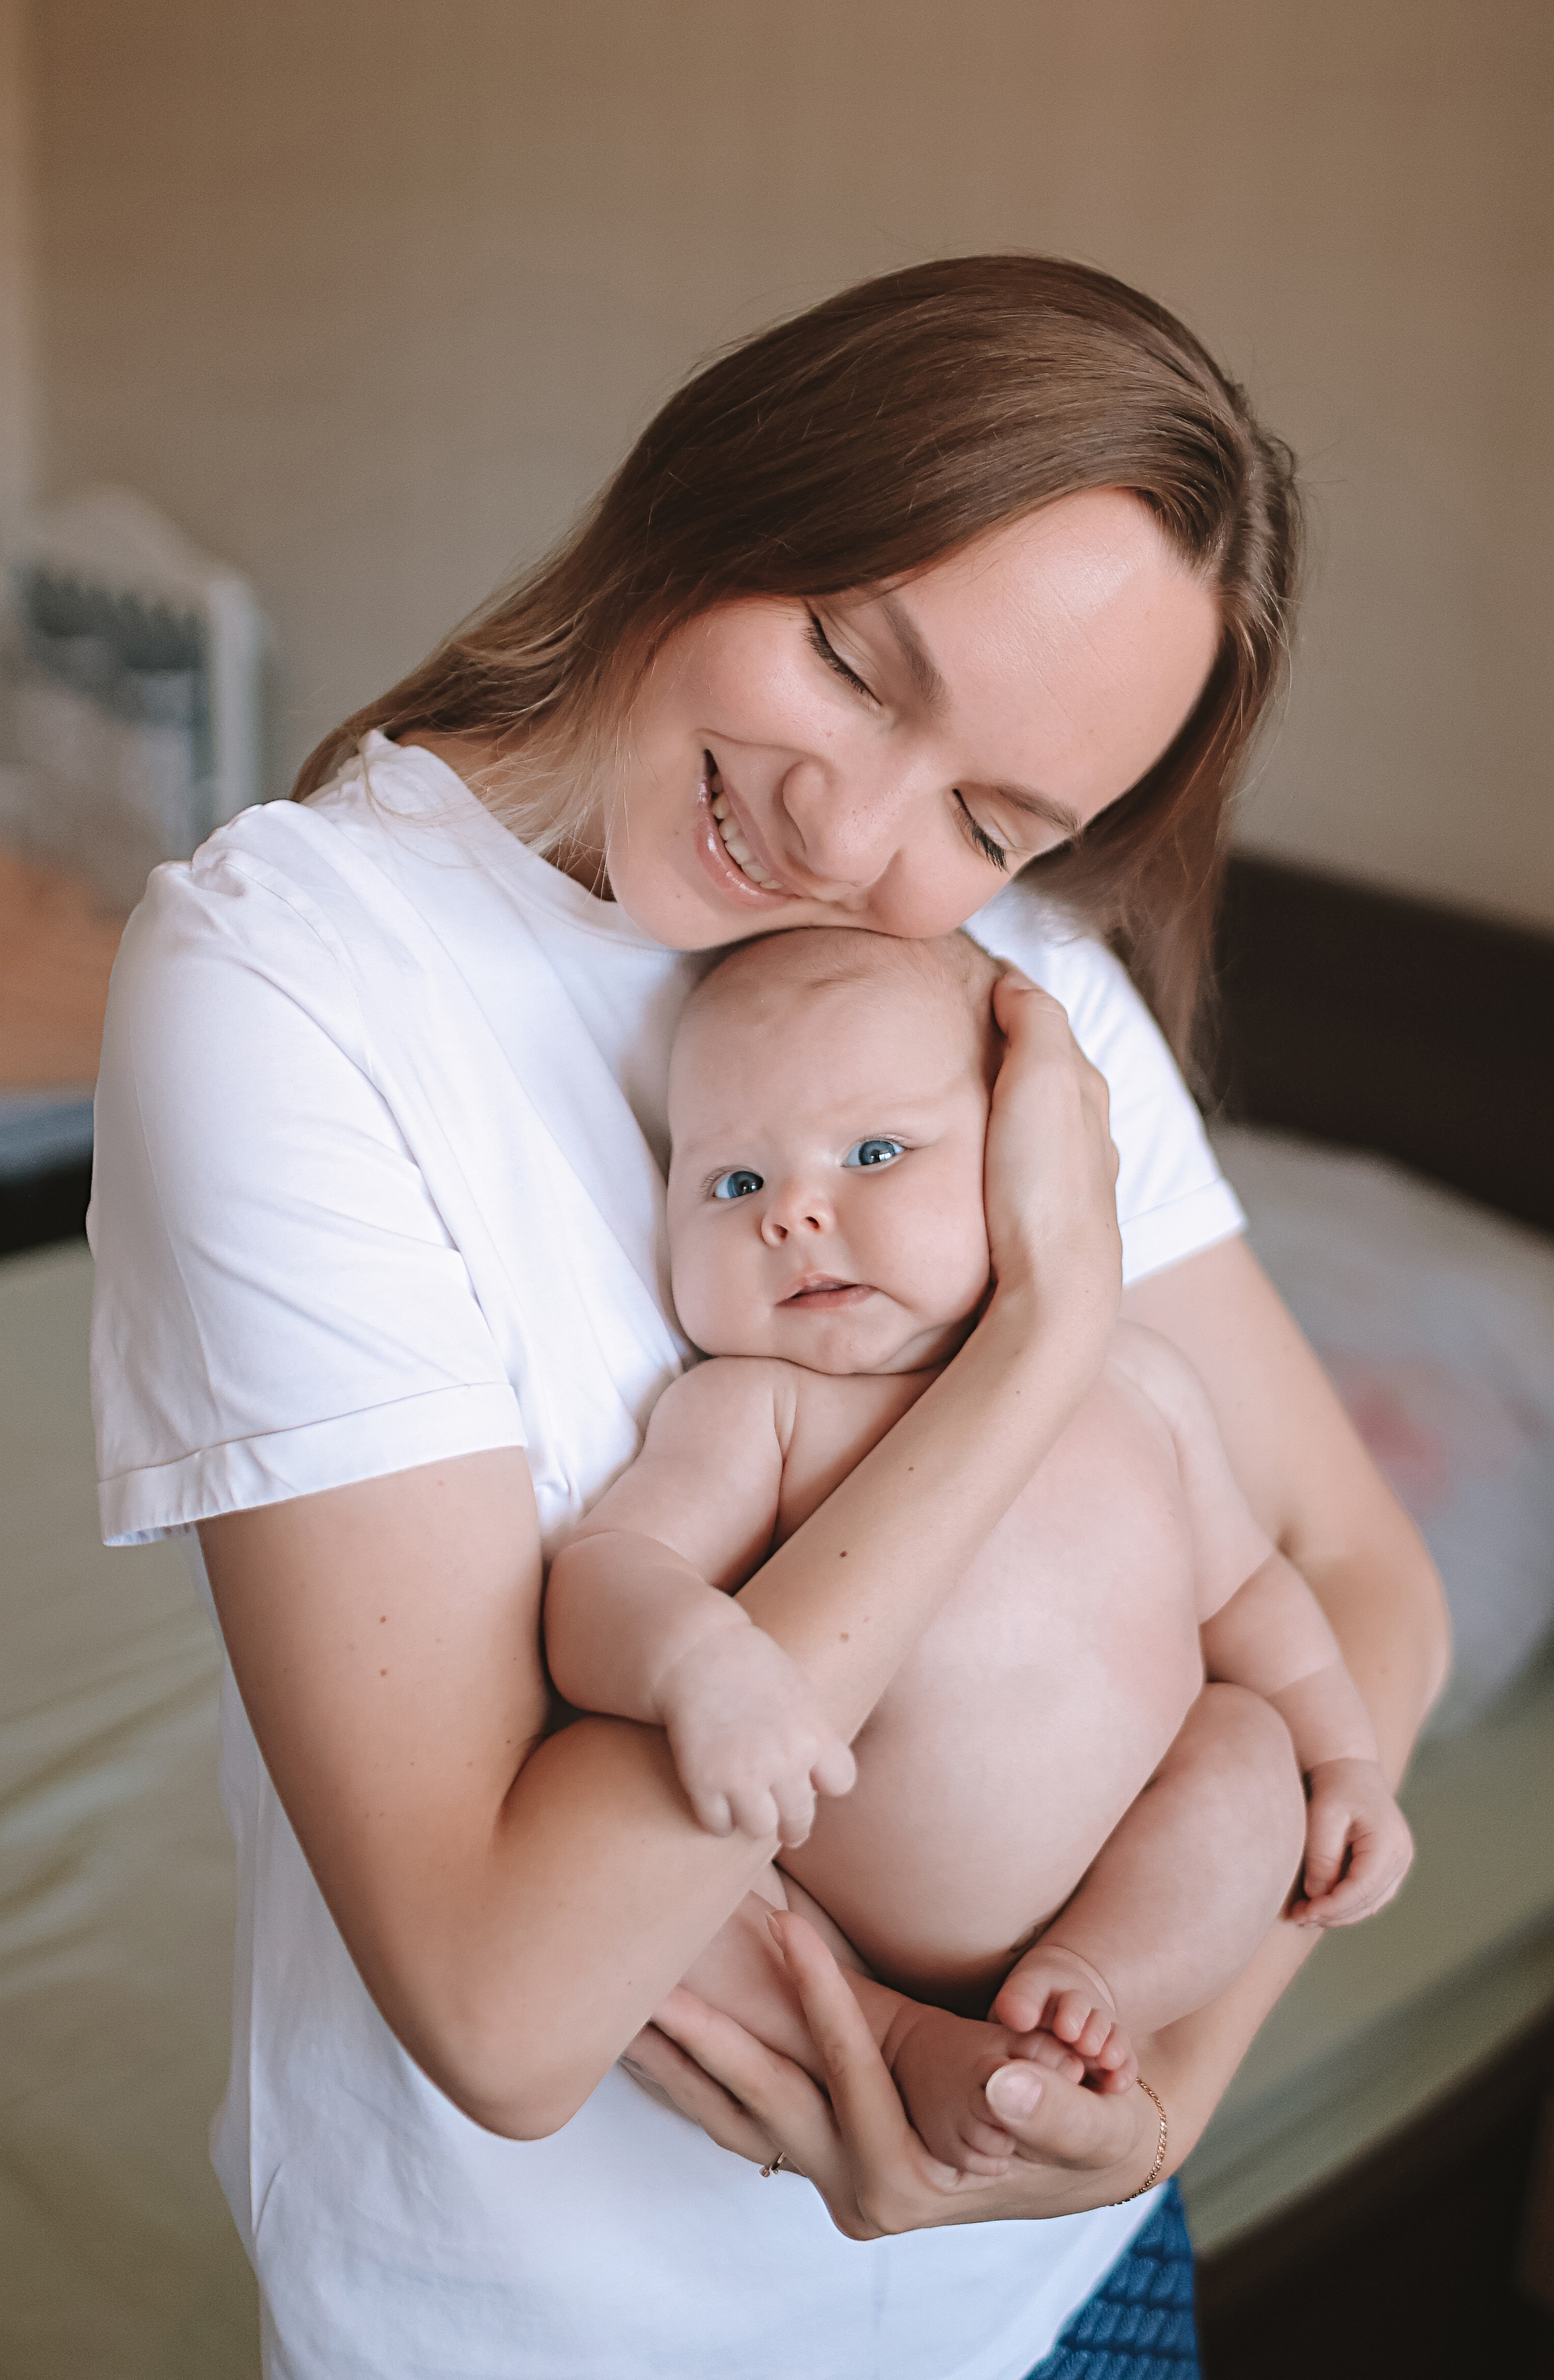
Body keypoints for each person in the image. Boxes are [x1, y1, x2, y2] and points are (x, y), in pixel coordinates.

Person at [89, 255, 1449, 2380]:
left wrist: (1152, 2098)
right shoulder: (290, 984)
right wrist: (1031, 1347)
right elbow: (511, 2011)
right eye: (848, 658)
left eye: (998, 819)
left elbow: (1363, 1581)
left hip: (1058, 2292)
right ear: (723, 488)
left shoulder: (1022, 989)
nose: (852, 831)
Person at [544, 925, 1415, 2175]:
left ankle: (1092, 1994)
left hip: (1129, 1868)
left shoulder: (1136, 1383)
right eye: (729, 1182)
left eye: (875, 1153)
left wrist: (1341, 1762)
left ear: (1029, 1170)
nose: (792, 1211)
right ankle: (889, 2036)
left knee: (1247, 1755)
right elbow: (605, 1580)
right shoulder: (759, 1410)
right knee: (658, 1896)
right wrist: (698, 1665)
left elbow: (1248, 1589)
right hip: (830, 1918)